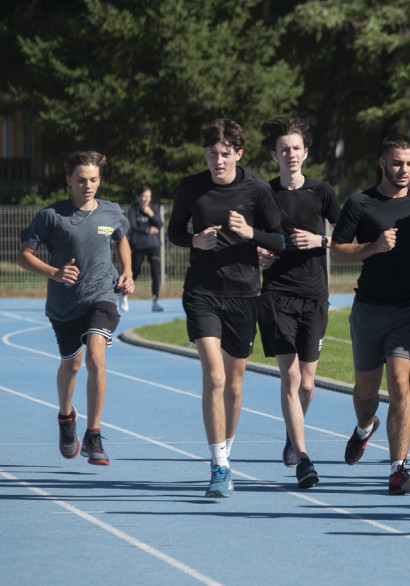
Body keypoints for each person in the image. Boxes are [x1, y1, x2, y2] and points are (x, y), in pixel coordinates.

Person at [166, 119, 286, 498]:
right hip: (202, 291)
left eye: (224, 153)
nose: (218, 160)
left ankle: (226, 455)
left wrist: (252, 234)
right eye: (211, 153)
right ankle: (218, 465)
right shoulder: (190, 187)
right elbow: (173, 232)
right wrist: (193, 241)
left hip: (244, 293)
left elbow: (280, 239)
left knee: (234, 386)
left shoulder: (257, 189)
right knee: (215, 378)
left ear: (238, 153)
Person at [330, 133, 410, 495]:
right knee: (366, 392)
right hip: (369, 309)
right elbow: (337, 253)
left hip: (408, 310)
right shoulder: (360, 203)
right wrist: (374, 246)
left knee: (400, 384)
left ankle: (398, 468)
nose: (404, 169)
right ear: (382, 162)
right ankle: (365, 427)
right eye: (397, 163)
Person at [16, 150, 134, 465]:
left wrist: (128, 271)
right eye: (81, 180)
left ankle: (94, 435)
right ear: (68, 179)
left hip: (102, 294)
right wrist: (54, 272)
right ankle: (66, 418)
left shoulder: (111, 213)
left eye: (93, 179)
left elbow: (122, 238)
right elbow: (23, 255)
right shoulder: (51, 215)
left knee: (96, 356)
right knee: (72, 365)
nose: (88, 185)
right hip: (64, 303)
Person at [255, 116, 341, 489]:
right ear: (274, 154)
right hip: (276, 293)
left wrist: (320, 242)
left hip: (314, 295)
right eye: (283, 149)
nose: (290, 154)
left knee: (308, 384)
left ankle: (294, 433)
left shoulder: (321, 192)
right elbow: (246, 235)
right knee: (289, 375)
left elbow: (348, 240)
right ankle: (304, 457)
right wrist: (256, 251)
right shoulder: (263, 193)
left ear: (306, 153)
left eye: (296, 148)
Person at [125, 185, 164, 312]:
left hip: (153, 245)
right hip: (139, 245)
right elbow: (132, 226)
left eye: (149, 197)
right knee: (134, 272)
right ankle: (124, 295)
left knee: (155, 273)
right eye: (144, 196)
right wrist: (147, 229)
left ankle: (155, 301)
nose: (146, 199)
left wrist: (150, 214)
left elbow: (160, 224)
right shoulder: (133, 210)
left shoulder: (153, 209)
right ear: (138, 197)